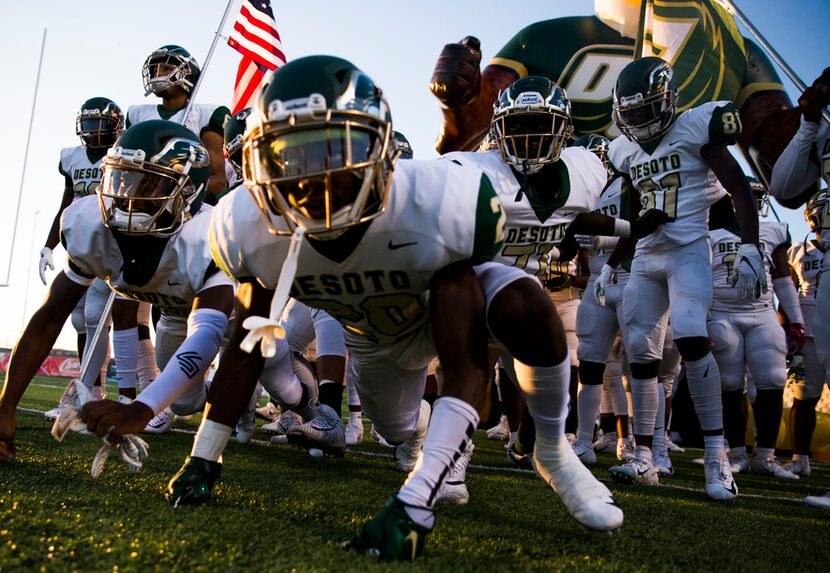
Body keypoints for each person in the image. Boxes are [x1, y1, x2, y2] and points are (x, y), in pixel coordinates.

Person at [163, 56, 624, 560]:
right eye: (289, 157)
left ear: (378, 148)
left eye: (332, 150)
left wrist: (417, 497)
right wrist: (204, 458)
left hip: (439, 299)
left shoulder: (436, 198)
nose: (312, 177)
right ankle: (423, 432)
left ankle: (553, 450)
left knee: (523, 300)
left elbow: (464, 346)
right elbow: (245, 343)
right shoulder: (247, 226)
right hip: (378, 337)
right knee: (396, 428)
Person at [0, 120, 236, 462]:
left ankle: (294, 404)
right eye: (123, 177)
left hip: (238, 316)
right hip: (174, 312)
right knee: (185, 402)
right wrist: (5, 409)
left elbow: (208, 334)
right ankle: (233, 394)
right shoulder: (90, 226)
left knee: (275, 375)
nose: (128, 193)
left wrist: (141, 408)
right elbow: (50, 316)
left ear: (188, 193)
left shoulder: (210, 237)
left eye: (148, 182)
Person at [600, 57, 763, 501]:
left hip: (689, 250)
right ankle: (645, 456)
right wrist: (616, 261)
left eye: (645, 110)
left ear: (668, 100)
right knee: (640, 354)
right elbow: (634, 214)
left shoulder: (697, 126)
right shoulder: (625, 150)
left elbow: (738, 185)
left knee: (691, 334)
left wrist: (750, 244)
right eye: (629, 113)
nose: (638, 120)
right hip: (648, 259)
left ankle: (717, 456)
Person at [707, 185, 803, 480]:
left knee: (773, 379)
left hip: (762, 311)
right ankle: (737, 454)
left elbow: (783, 278)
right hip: (722, 311)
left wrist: (796, 320)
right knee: (731, 383)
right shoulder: (707, 234)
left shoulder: (773, 230)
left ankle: (766, 457)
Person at [39, 97, 124, 418]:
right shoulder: (72, 158)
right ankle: (92, 390)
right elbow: (65, 204)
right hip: (78, 245)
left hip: (109, 244)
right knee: (79, 320)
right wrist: (50, 246)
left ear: (115, 125)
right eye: (88, 124)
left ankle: (86, 392)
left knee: (95, 317)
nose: (93, 131)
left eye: (100, 124)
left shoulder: (122, 153)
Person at [769, 68, 830, 508]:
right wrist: (809, 122)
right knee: (806, 389)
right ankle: (801, 457)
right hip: (816, 306)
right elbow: (784, 185)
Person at [785, 194, 828, 477]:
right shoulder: (797, 249)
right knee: (803, 398)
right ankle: (800, 457)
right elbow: (787, 290)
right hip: (808, 330)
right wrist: (789, 329)